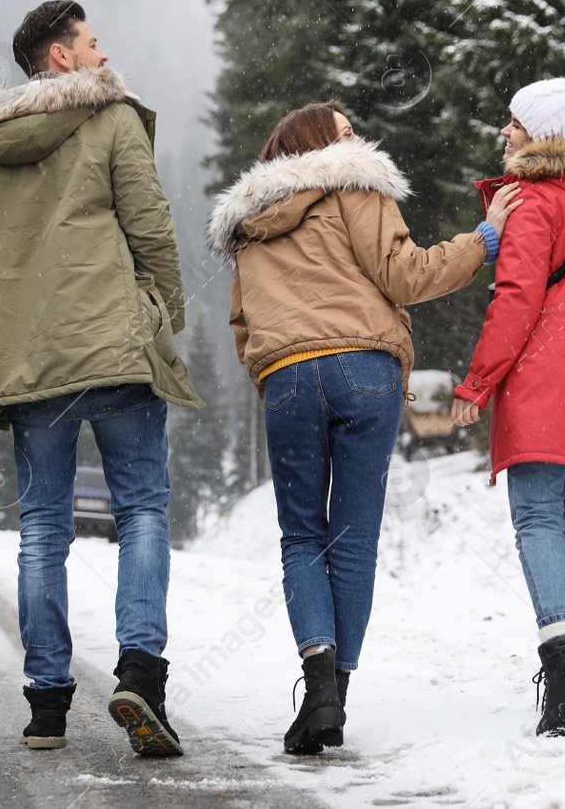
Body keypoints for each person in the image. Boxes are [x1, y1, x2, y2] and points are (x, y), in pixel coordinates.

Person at [0, 0, 203, 756]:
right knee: (142, 507)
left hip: (31, 363)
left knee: (42, 528)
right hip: (111, 345)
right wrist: (162, 317)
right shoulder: (110, 119)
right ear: (60, 58)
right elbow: (152, 227)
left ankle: (47, 704)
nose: (104, 54)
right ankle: (140, 670)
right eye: (92, 42)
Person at [207, 103, 521, 754]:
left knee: (301, 534)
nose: (358, 139)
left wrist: (273, 369)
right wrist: (485, 239)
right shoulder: (356, 181)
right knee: (352, 539)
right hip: (367, 370)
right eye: (345, 131)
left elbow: (242, 323)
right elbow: (406, 274)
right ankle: (334, 696)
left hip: (289, 375)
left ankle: (317, 680)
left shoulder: (249, 223)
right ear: (319, 144)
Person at [449, 61, 565, 737]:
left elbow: (516, 298)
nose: (505, 130)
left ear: (543, 135)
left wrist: (479, 381)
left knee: (536, 519)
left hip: (545, 387)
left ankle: (564, 672)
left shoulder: (533, 204)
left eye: (517, 121)